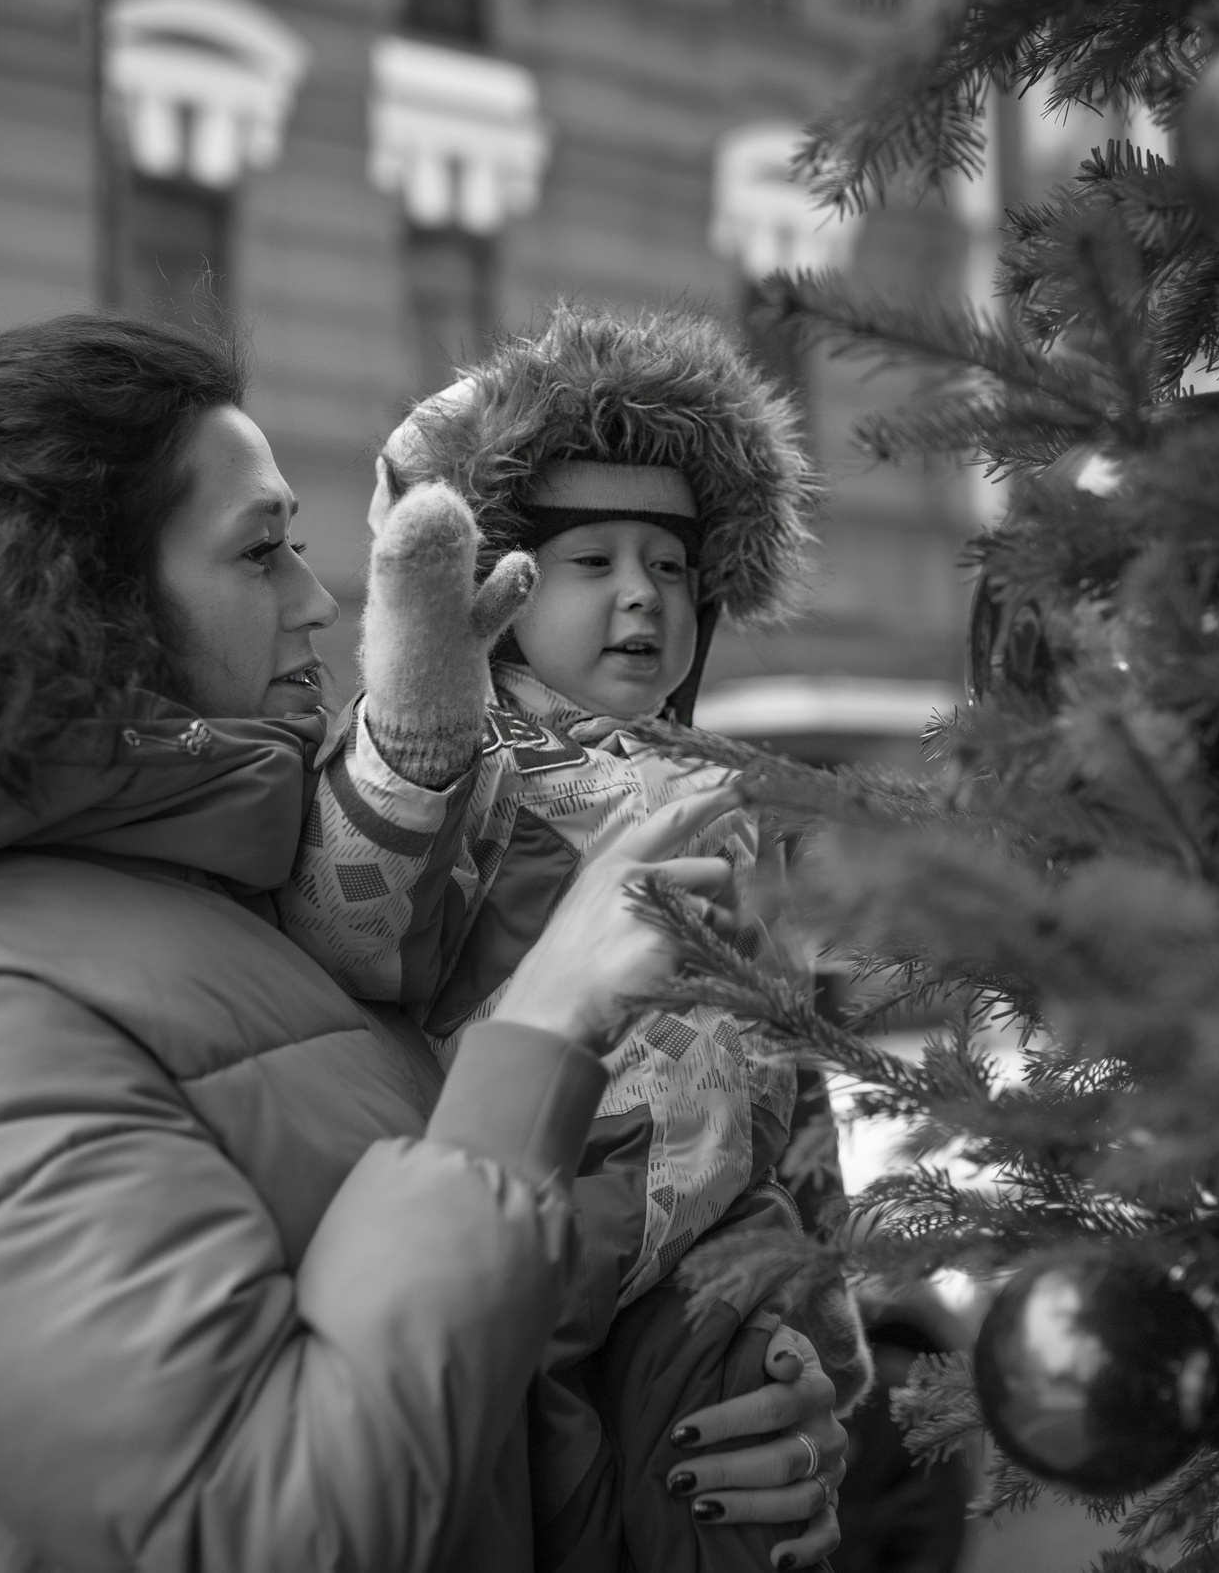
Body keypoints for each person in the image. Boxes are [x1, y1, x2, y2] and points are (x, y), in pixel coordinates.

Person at [0, 312, 848, 1573]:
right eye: (261, 554)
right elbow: (273, 1529)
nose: (318, 601)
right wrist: (540, 1030)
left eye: (304, 546)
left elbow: (451, 1377)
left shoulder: (236, 896)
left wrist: (730, 1425)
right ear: (81, 598)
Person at [280, 306, 859, 1572]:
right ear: (501, 581)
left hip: (720, 1263)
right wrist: (421, 712)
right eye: (589, 561)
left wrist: (825, 1304)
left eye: (668, 561)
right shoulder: (473, 765)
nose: (641, 595)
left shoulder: (732, 795)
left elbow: (789, 1068)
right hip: (538, 1247)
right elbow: (351, 924)